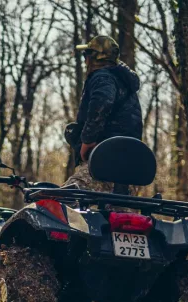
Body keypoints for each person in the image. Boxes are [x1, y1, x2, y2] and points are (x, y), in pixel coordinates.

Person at [65, 35, 143, 191]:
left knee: (61, 204)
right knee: (117, 212)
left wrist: (87, 141)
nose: (85, 60)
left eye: (86, 55)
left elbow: (102, 103)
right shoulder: (123, 81)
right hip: (129, 165)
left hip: (105, 158)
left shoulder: (103, 77)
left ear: (95, 57)